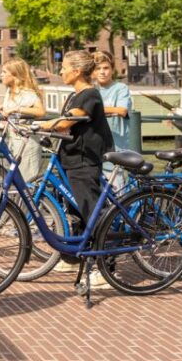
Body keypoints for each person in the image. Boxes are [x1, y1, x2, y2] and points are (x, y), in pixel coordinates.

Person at [39, 50, 114, 287]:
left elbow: (68, 121)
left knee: (92, 211)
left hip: (84, 160)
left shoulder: (89, 95)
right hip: (70, 158)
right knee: (73, 210)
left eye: (64, 67)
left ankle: (106, 266)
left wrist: (41, 124)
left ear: (77, 71)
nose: (60, 71)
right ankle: (73, 256)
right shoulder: (74, 95)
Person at [0, 59, 46, 182]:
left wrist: (15, 109)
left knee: (29, 182)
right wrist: (4, 107)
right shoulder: (10, 91)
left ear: (15, 75)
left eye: (4, 72)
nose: (1, 75)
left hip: (28, 145)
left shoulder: (27, 93)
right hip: (15, 143)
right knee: (20, 181)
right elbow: (13, 109)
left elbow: (41, 112)